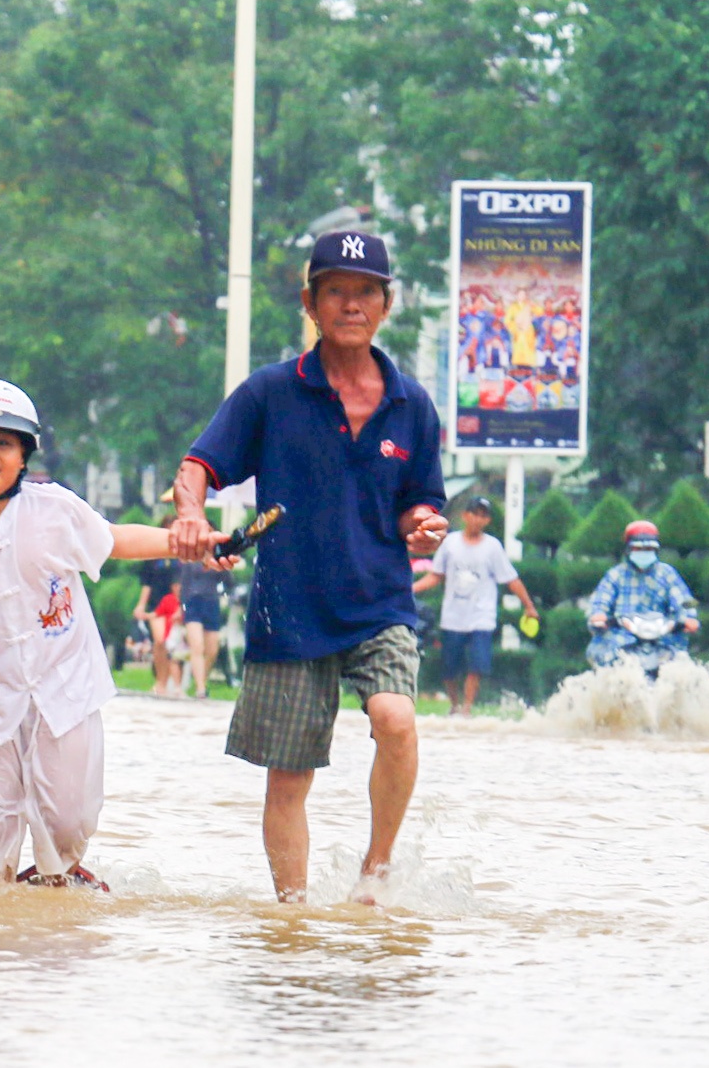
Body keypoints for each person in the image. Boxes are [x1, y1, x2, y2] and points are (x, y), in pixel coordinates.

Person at [169, 230, 448, 904]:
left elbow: (420, 509)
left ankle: (373, 878)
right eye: (334, 292)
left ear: (386, 303)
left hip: (378, 602)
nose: (349, 305)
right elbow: (197, 465)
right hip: (289, 611)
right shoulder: (271, 392)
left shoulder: (412, 406)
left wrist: (425, 529)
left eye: (363, 292)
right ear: (310, 303)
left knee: (396, 719)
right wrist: (189, 515)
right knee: (288, 780)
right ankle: (290, 916)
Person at [0, 378, 183, 888]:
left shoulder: (54, 509)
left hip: (66, 693)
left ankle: (60, 880)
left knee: (67, 823)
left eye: (3, 443)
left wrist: (190, 545)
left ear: (23, 454)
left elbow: (115, 540)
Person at [413, 495, 539, 714]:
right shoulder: (450, 543)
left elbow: (511, 579)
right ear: (465, 516)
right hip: (453, 617)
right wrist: (410, 589)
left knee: (477, 665)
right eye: (474, 514)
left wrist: (529, 606)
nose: (478, 519)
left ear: (487, 521)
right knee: (449, 668)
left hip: (481, 616)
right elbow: (436, 576)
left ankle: (467, 708)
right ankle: (454, 704)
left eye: (483, 515)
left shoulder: (492, 547)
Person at [585, 520, 698, 667]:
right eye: (638, 549)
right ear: (628, 550)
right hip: (622, 638)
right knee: (607, 662)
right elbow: (600, 600)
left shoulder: (668, 573)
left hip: (663, 638)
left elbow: (687, 600)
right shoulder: (615, 575)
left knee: (683, 669)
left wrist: (690, 617)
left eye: (649, 548)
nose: (644, 553)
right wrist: (598, 615)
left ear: (656, 550)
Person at [135, 539, 181, 695]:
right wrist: (141, 604)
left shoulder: (181, 556)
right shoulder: (153, 559)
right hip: (156, 605)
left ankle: (174, 684)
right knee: (160, 641)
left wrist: (181, 605)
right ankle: (161, 681)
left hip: (175, 604)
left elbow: (179, 583)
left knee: (174, 647)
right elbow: (147, 583)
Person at [176, 559, 226, 698]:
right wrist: (181, 608)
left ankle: (201, 679)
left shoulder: (218, 553)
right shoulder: (191, 557)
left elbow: (227, 580)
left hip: (211, 601)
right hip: (193, 601)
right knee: (197, 646)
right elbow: (184, 583)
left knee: (212, 649)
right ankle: (201, 688)